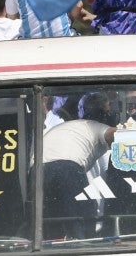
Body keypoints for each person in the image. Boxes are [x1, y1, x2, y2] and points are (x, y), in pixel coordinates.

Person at [43, 93, 117, 238]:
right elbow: (113, 134)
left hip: (37, 171)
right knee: (83, 216)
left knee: (50, 221)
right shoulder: (94, 126)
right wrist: (133, 131)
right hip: (67, 168)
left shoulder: (67, 127)